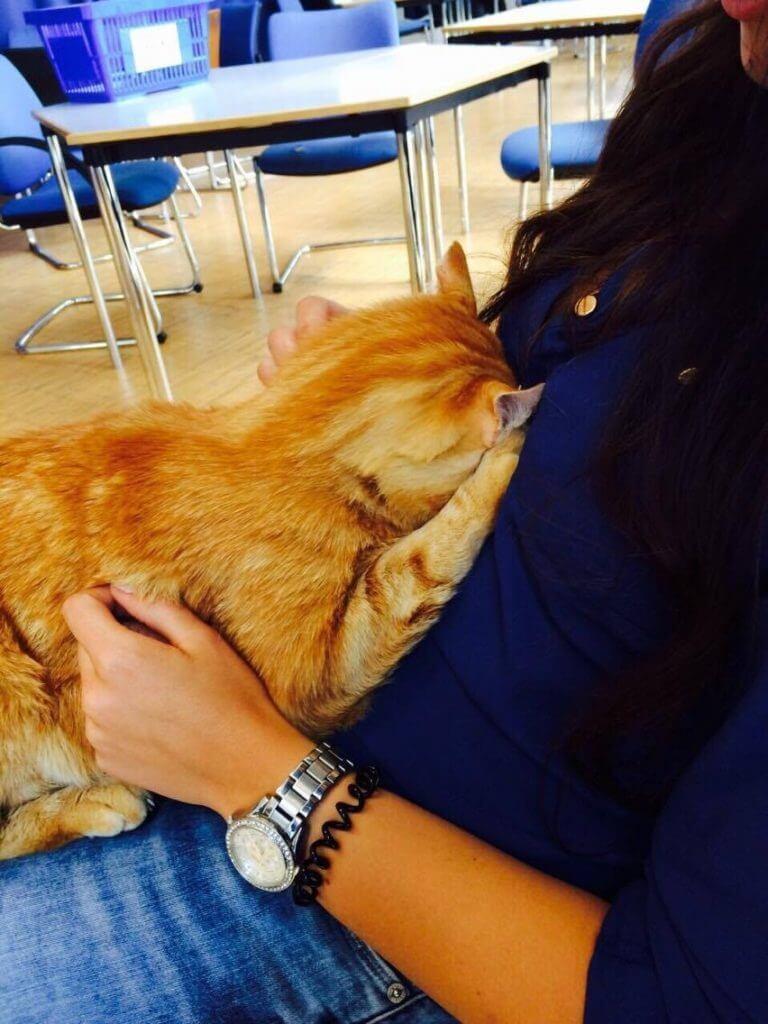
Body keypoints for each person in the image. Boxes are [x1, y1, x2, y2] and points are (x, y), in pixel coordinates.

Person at [2, 2, 767, 1021]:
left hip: (389, 877)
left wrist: (255, 769)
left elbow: (674, 1000)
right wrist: (363, 401)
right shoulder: (720, 77)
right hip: (220, 720)